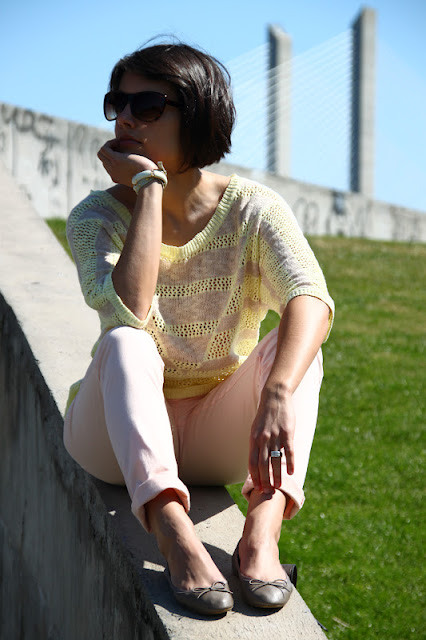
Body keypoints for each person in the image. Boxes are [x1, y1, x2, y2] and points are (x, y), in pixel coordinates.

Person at [64, 41, 334, 616]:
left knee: (298, 352)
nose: (125, 118)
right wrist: (148, 189)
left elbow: (311, 297)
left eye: (146, 105)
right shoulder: (95, 217)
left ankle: (262, 532)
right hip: (111, 440)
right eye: (117, 103)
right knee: (125, 340)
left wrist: (277, 392)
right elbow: (129, 310)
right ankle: (173, 533)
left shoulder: (253, 209)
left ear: (198, 113)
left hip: (217, 434)